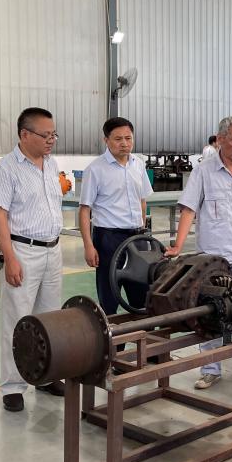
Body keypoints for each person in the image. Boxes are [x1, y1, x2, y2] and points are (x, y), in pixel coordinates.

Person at [166, 117, 232, 390]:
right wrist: (178, 246)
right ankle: (210, 369)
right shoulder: (204, 171)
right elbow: (189, 209)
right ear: (220, 139)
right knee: (211, 311)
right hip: (213, 258)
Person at [0, 108, 66, 412]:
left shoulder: (51, 164)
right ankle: (13, 386)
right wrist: (10, 257)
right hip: (23, 251)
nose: (51, 140)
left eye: (53, 134)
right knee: (17, 321)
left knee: (49, 319)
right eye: (45, 135)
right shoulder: (7, 169)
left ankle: (46, 377)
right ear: (24, 134)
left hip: (53, 250)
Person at [79, 117, 154, 316]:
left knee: (142, 296)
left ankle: (143, 335)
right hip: (109, 239)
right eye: (118, 139)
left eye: (128, 138)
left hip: (137, 238)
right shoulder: (95, 169)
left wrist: (143, 230)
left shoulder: (138, 164)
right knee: (109, 296)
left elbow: (142, 200)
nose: (124, 144)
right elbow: (85, 210)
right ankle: (112, 335)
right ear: (106, 140)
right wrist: (88, 246)